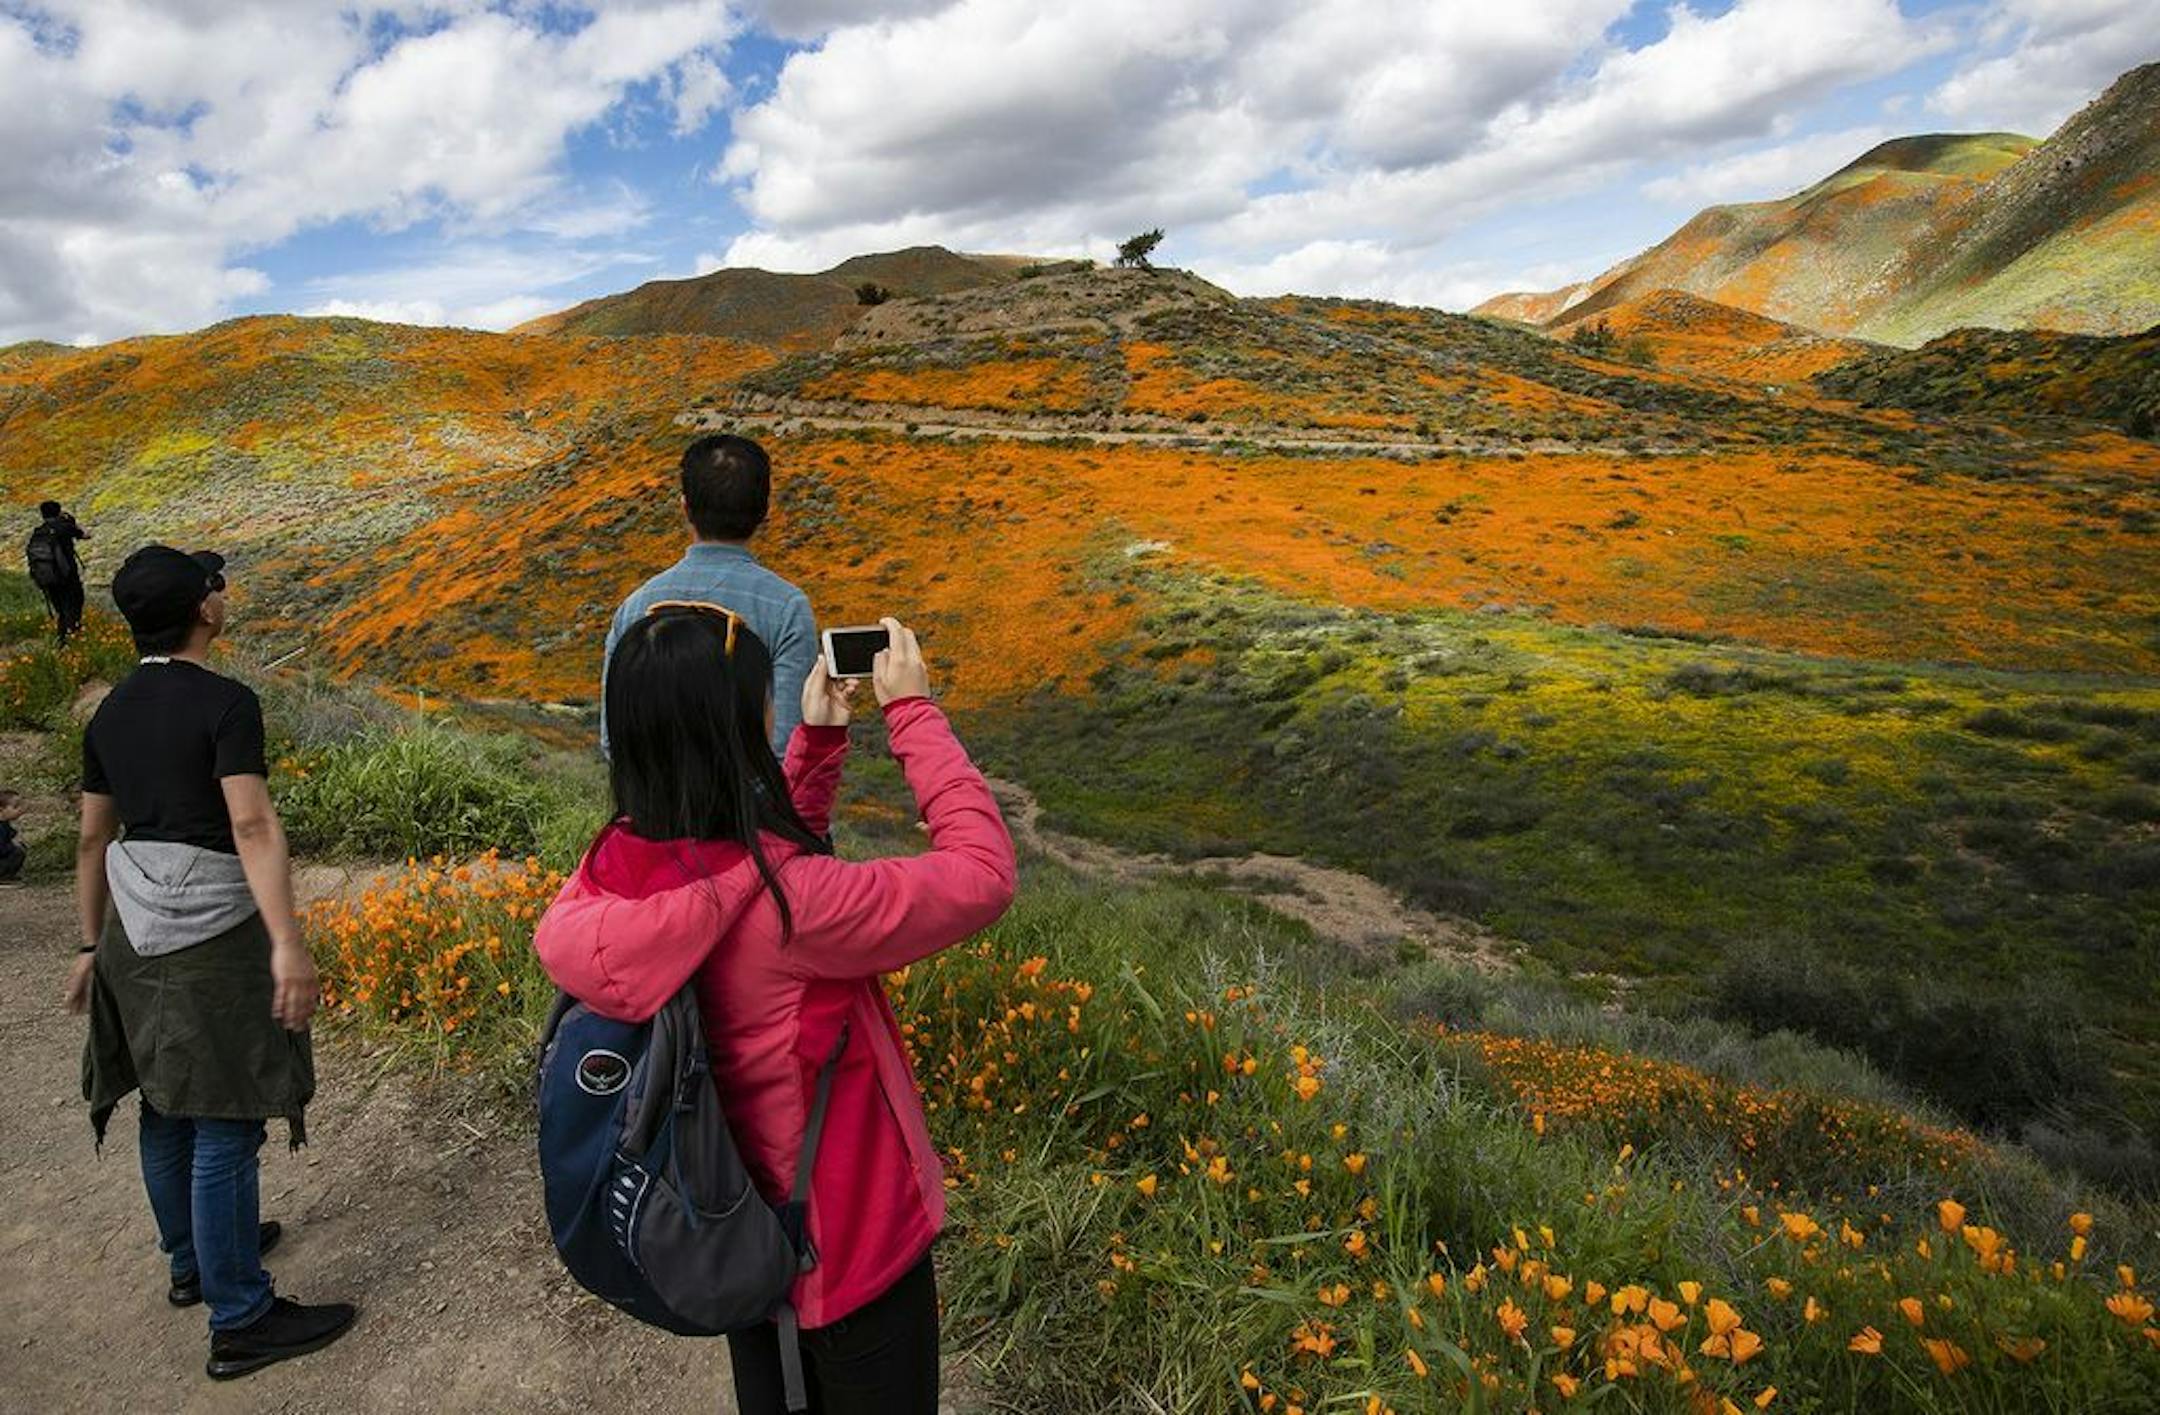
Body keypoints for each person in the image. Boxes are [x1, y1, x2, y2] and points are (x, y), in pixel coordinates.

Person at [536, 608, 1016, 1415]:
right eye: (765, 703)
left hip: (732, 1225)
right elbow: (982, 873)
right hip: (850, 1248)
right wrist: (914, 712)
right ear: (734, 732)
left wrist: (817, 749)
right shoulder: (800, 909)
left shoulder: (612, 868)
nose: (774, 713)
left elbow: (740, 864)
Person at [61, 545, 357, 1380]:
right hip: (210, 931)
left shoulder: (110, 711)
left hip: (132, 927)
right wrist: (288, 940)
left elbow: (92, 835)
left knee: (164, 1101)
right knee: (226, 1112)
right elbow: (253, 825)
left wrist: (90, 945)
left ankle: (192, 1261)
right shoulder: (228, 703)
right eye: (215, 585)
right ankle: (242, 1315)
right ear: (205, 610)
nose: (224, 592)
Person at [600, 434, 817, 759]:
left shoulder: (635, 608)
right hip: (749, 808)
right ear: (764, 511)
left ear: (685, 507)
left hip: (650, 806)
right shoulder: (787, 609)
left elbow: (613, 741)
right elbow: (784, 744)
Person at [26, 499, 89, 642]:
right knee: (74, 603)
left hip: (47, 577)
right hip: (67, 575)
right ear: (58, 512)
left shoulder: (39, 532)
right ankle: (72, 637)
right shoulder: (64, 527)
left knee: (61, 610)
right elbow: (86, 535)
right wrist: (71, 521)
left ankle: (62, 639)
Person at [0, 788, 25, 885]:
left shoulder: (4, 824)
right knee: (18, 852)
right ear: (1, 809)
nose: (20, 810)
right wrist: (13, 846)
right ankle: (3, 876)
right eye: (15, 807)